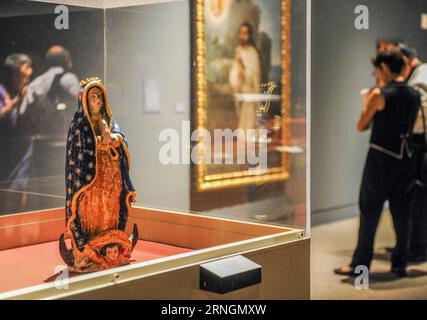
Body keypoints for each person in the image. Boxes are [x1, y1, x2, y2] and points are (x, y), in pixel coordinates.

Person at [335, 49, 421, 277]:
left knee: (369, 212)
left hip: (381, 161)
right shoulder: (414, 95)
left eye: (377, 69)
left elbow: (361, 125)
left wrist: (369, 106)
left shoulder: (379, 94)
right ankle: (400, 264)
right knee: (403, 215)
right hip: (407, 160)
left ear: (384, 68)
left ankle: (359, 265)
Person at [399, 43, 427, 262]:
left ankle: (416, 248)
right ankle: (412, 246)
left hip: (421, 146)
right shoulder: (422, 72)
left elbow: (417, 114)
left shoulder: (418, 79)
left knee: (418, 198)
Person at [0, 53, 33, 188]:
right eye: (26, 68)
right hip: (5, 151)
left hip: (22, 151)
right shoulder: (2, 91)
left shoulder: (26, 91)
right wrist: (16, 100)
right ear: (15, 72)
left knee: (21, 189)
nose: (29, 73)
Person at [229, 22, 261, 133]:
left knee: (249, 128)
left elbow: (254, 75)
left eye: (245, 33)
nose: (243, 36)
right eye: (241, 33)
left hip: (250, 93)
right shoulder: (238, 51)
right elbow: (234, 72)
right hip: (240, 90)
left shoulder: (253, 53)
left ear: (249, 35)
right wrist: (238, 74)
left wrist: (243, 69)